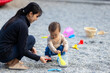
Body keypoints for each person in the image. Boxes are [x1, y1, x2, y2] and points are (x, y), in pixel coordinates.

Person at [0, 2, 47, 69]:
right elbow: (23, 50)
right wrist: (39, 58)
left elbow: (18, 38)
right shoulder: (22, 25)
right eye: (36, 16)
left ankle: (10, 61)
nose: (37, 19)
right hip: (4, 55)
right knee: (31, 39)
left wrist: (30, 47)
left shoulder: (18, 18)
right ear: (31, 14)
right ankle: (13, 63)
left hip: (2, 52)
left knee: (28, 40)